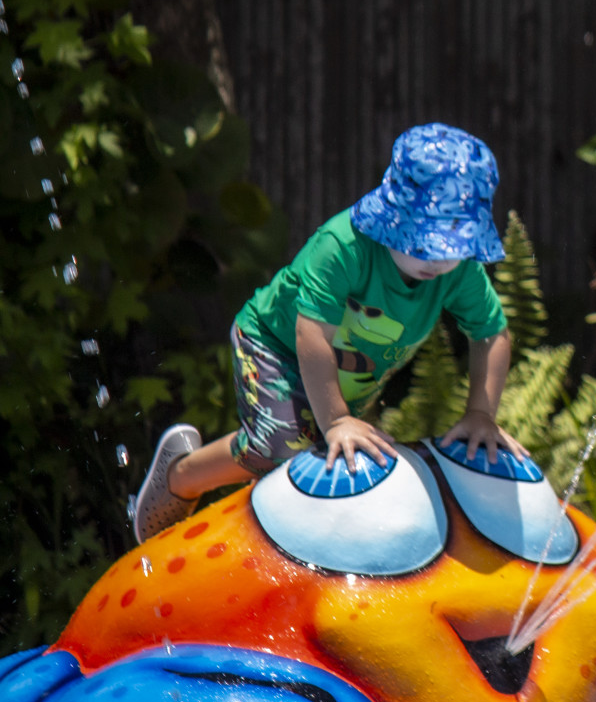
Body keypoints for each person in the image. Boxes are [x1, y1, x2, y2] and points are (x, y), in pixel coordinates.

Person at [129, 123, 530, 543]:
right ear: (392, 219)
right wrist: (337, 419)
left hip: (346, 372)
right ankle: (181, 476)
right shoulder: (343, 246)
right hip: (276, 345)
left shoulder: (459, 273)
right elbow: (311, 335)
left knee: (338, 463)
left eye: (452, 248)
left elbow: (491, 333)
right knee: (280, 448)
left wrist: (481, 414)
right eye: (422, 243)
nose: (437, 261)